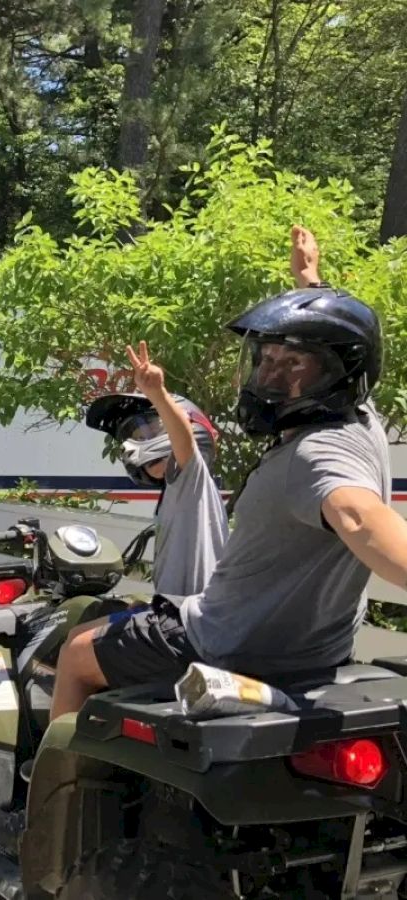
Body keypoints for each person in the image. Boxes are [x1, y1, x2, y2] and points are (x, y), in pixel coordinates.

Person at [51, 263, 406, 722]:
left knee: (78, 652)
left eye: (293, 364)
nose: (271, 377)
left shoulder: (313, 455)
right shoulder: (359, 420)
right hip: (314, 653)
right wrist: (311, 281)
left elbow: (358, 517)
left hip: (226, 643)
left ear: (337, 374)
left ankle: (49, 789)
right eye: (267, 359)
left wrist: (158, 393)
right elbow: (345, 339)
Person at [84, 343, 228, 597]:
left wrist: (158, 394)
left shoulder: (190, 481)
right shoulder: (175, 493)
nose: (134, 441)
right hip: (172, 609)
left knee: (78, 638)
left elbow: (185, 443)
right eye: (134, 434)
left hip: (189, 617)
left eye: (150, 430)